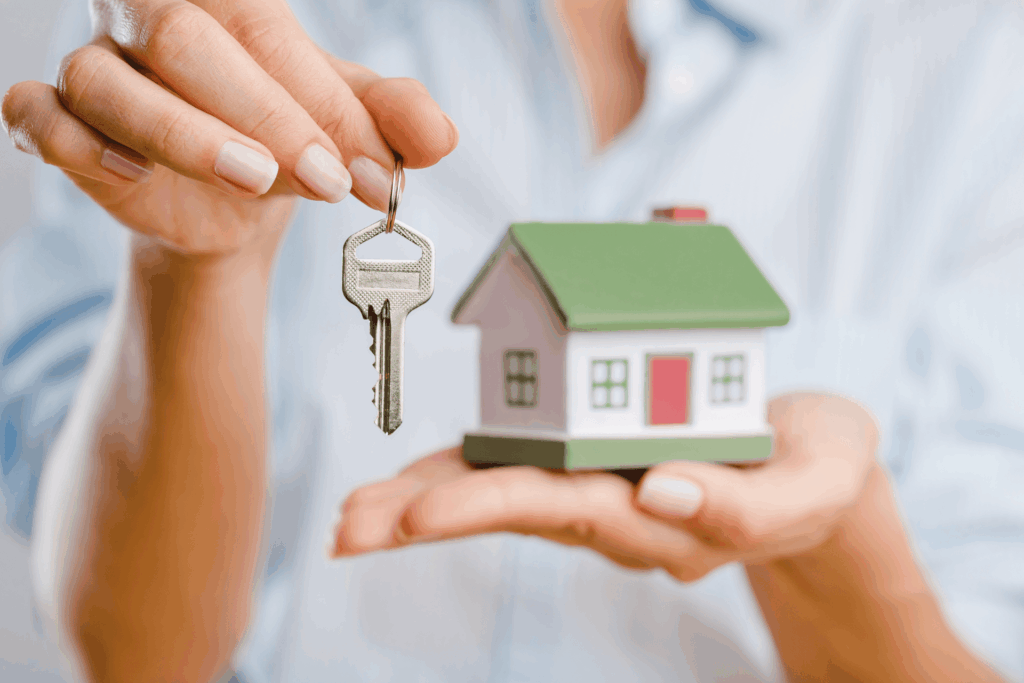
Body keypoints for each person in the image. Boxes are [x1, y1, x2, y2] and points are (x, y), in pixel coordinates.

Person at [2, 0, 1023, 681]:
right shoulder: (221, 24)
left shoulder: (972, 62)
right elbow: (134, 652)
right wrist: (199, 268)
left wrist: (832, 546)